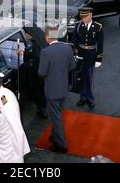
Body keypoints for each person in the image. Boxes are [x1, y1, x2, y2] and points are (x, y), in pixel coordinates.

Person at [38, 26, 76, 154]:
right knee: (58, 114)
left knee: (56, 117)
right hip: (63, 88)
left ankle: (61, 145)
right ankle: (54, 137)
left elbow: (42, 72)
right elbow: (72, 66)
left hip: (52, 90)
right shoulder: (67, 47)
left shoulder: (45, 52)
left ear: (48, 37)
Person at [72, 8, 103, 108]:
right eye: (82, 17)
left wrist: (98, 59)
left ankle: (90, 98)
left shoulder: (98, 27)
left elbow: (100, 45)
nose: (83, 19)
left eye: (85, 17)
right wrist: (76, 52)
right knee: (81, 77)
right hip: (80, 54)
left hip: (90, 55)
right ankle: (82, 97)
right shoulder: (78, 26)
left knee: (89, 78)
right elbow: (75, 40)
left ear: (90, 15)